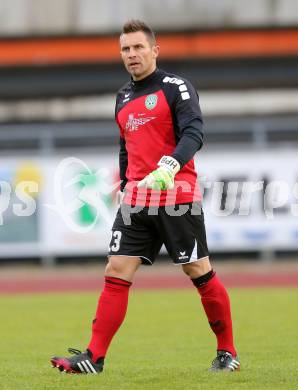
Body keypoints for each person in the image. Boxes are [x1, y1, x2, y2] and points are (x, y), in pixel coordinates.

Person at [51, 19, 240, 374]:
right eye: (126, 48)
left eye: (139, 47)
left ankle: (227, 352)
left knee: (197, 269)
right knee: (116, 269)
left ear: (154, 50)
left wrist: (170, 164)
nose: (132, 54)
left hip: (176, 195)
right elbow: (126, 146)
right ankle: (94, 356)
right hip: (136, 199)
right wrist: (125, 184)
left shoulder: (176, 87)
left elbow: (194, 131)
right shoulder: (123, 96)